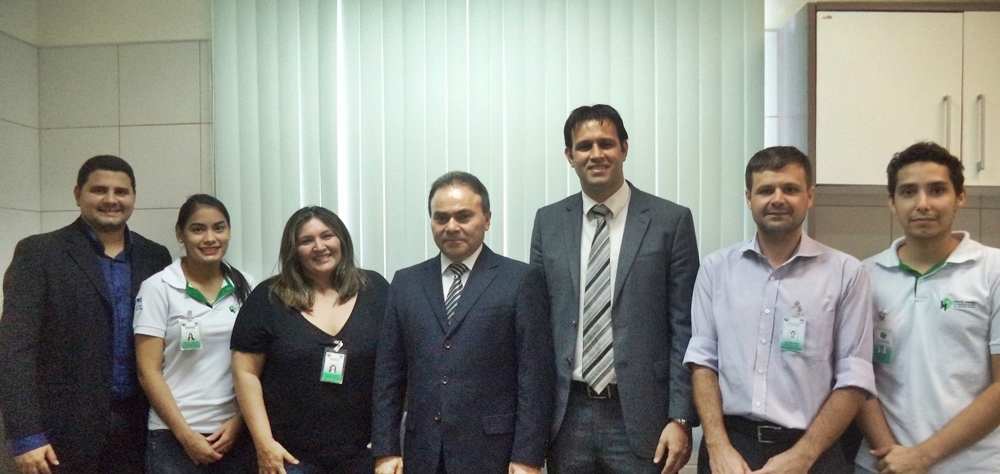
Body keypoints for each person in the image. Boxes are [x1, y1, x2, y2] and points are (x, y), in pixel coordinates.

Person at [684, 146, 876, 473]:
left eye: (790, 189)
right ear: (749, 198)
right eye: (765, 190)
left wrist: (804, 455)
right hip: (731, 448)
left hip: (814, 451)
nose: (777, 199)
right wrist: (716, 445)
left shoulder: (847, 273)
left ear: (810, 196)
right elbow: (703, 362)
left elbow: (854, 377)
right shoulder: (716, 269)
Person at [530, 104, 699, 474]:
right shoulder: (548, 222)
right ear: (569, 156)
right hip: (567, 416)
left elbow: (685, 328)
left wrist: (681, 418)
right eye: (584, 146)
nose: (596, 154)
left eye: (606, 143)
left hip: (642, 415)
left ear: (624, 148)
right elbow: (537, 326)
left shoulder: (670, 221)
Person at [372, 171, 555, 474]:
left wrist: (528, 456)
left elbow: (535, 378)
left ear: (487, 219)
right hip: (422, 453)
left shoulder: (520, 280)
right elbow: (388, 375)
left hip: (494, 453)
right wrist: (385, 450)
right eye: (441, 218)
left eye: (464, 216)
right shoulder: (406, 283)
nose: (451, 227)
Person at [0, 155, 172, 473]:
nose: (111, 199)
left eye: (121, 191)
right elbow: (14, 350)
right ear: (78, 194)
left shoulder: (155, 257)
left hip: (139, 429)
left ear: (133, 197)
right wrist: (26, 435)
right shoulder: (39, 253)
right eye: (99, 190)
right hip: (59, 434)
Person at [854, 142, 1000, 473]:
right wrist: (892, 458)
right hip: (883, 463)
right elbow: (856, 379)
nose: (923, 204)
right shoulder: (863, 276)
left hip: (974, 466)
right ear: (892, 201)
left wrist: (923, 456)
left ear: (960, 196)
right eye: (908, 192)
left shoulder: (993, 271)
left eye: (937, 190)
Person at [231, 206, 389, 474]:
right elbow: (245, 372)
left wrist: (388, 438)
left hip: (363, 453)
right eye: (306, 241)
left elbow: (397, 365)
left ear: (342, 239)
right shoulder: (267, 298)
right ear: (293, 250)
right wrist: (264, 444)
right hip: (291, 457)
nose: (319, 246)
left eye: (327, 236)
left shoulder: (375, 290)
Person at [133, 194, 257, 473]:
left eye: (219, 228)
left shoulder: (246, 285)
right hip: (173, 437)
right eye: (198, 229)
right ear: (180, 234)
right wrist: (186, 436)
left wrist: (239, 423)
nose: (210, 238)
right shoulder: (158, 287)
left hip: (233, 434)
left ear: (229, 231)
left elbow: (256, 365)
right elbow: (147, 372)